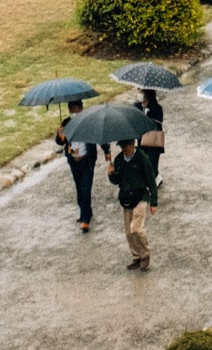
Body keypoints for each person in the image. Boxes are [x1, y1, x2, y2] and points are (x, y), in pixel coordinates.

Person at [108, 137, 159, 269]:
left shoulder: (143, 159)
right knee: (128, 232)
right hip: (126, 198)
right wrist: (111, 174)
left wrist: (153, 202)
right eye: (121, 146)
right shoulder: (119, 160)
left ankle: (145, 253)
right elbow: (117, 180)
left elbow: (151, 182)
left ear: (133, 144)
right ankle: (136, 256)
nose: (123, 149)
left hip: (140, 196)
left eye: (125, 146)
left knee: (136, 228)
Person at [55, 100, 98, 231]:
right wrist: (60, 134)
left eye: (73, 108)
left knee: (85, 188)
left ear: (80, 107)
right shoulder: (67, 122)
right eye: (70, 108)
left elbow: (98, 136)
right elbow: (60, 142)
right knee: (79, 188)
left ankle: (85, 219)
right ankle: (85, 211)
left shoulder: (88, 121)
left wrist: (107, 152)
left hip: (87, 160)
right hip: (73, 160)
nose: (71, 110)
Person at [139, 89, 166, 187]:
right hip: (142, 139)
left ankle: (153, 180)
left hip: (153, 139)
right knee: (144, 160)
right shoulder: (139, 106)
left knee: (152, 161)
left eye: (141, 92)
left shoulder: (156, 108)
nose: (139, 94)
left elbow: (157, 122)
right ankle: (156, 177)